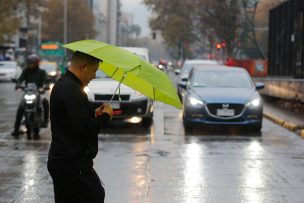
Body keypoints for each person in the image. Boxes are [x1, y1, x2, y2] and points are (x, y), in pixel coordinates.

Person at [47, 51, 113, 203]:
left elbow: (72, 118)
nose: (94, 76)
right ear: (83, 67)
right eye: (93, 71)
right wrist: (105, 117)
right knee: (94, 196)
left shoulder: (65, 84)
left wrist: (92, 112)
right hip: (72, 163)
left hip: (64, 161)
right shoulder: (72, 89)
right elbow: (83, 127)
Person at [11, 54, 49, 138]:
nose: (30, 65)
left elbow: (46, 81)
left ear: (36, 63)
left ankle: (46, 121)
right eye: (29, 63)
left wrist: (45, 87)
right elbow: (20, 79)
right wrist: (18, 84)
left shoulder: (42, 72)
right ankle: (16, 128)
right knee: (21, 108)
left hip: (39, 92)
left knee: (46, 102)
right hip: (28, 92)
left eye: (32, 63)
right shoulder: (26, 71)